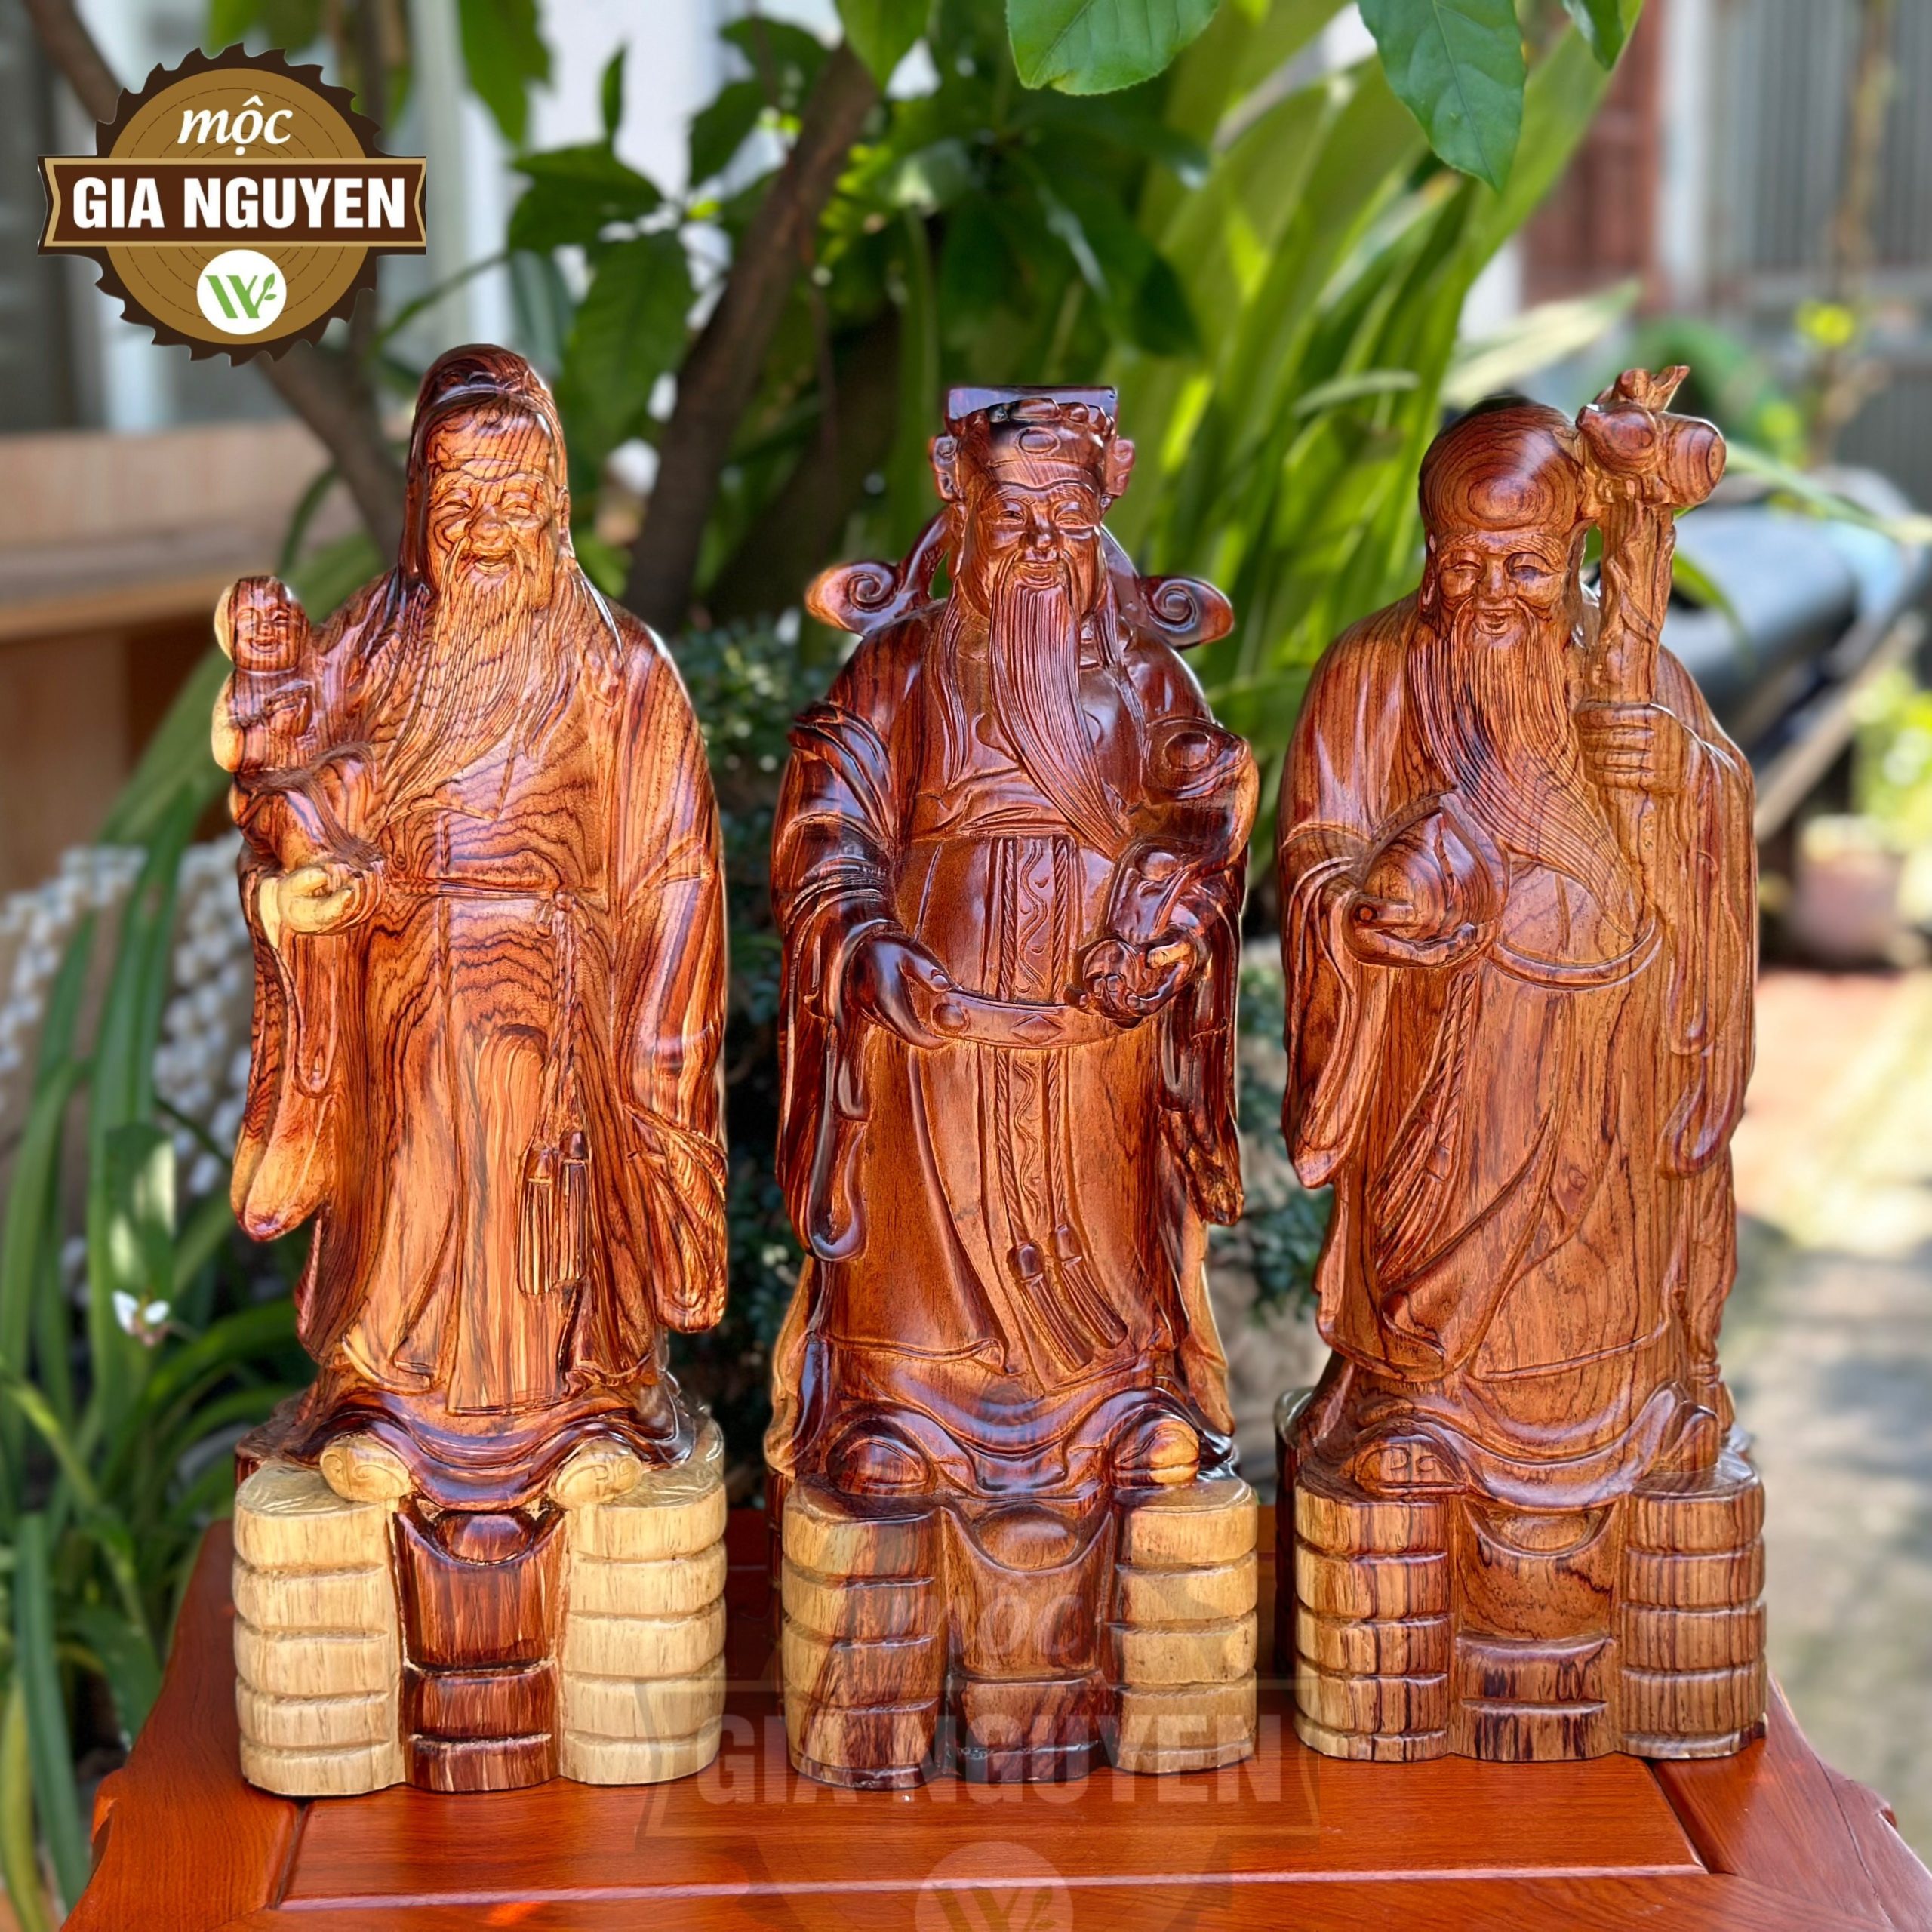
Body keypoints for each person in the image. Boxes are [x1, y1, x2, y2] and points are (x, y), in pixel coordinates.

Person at [225, 346, 728, 1511]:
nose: (489, 527)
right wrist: (295, 895)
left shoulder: (622, 668)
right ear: (420, 502)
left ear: (557, 503)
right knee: (410, 1188)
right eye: (461, 498)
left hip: (563, 995)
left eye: (516, 497)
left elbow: (676, 876)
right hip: (401, 986)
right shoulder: (365, 645)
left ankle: (592, 1402)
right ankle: (382, 1402)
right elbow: (279, 790)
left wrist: (654, 1039)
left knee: (555, 1210)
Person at [765, 386, 1257, 1506]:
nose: (1040, 545)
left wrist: (1169, 928)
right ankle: (900, 1404)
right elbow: (825, 820)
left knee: (1108, 1204)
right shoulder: (900, 668)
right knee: (920, 1219)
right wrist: (867, 941)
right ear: (960, 505)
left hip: (1097, 1032)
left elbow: (1205, 824)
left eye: (1068, 520)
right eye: (1012, 518)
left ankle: (1123, 1398)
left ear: (1103, 510)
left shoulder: (1146, 677)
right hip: (932, 1029)